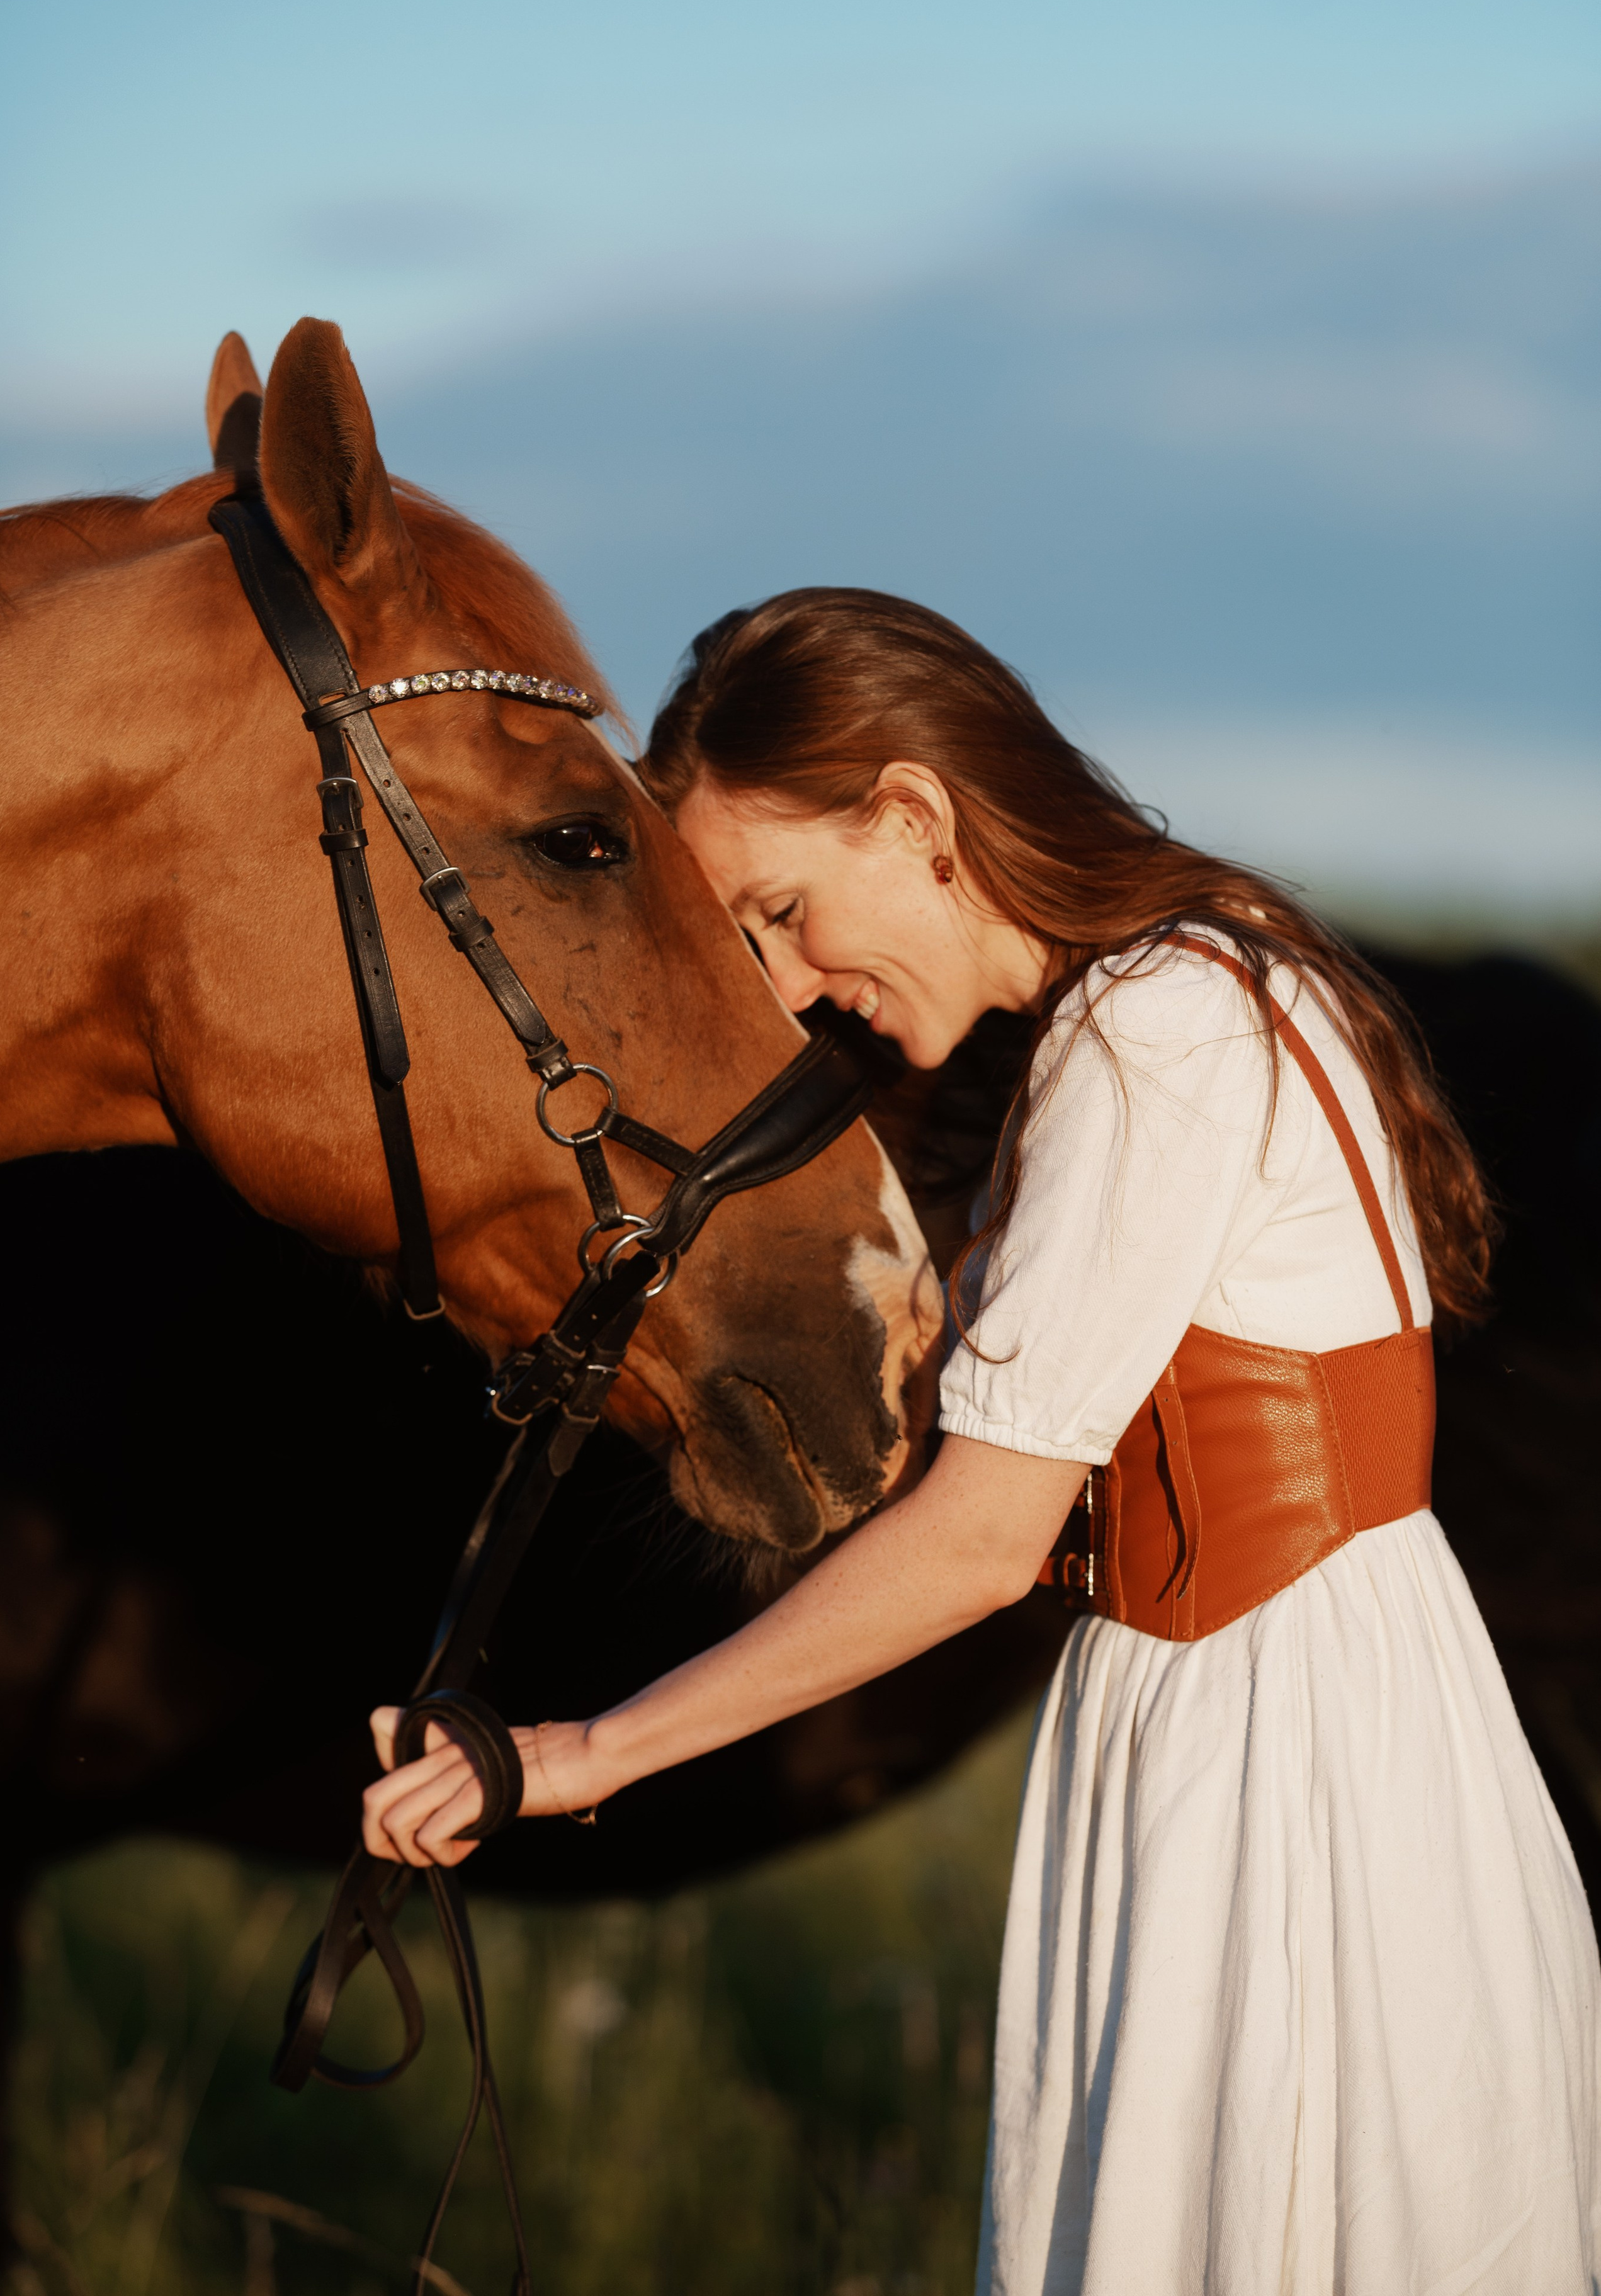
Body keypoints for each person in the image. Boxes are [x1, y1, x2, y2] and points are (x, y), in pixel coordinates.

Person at [364, 588, 1601, 2292]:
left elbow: (978, 1538)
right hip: (1297, 1698)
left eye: (787, 914)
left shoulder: (1154, 1035)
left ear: (915, 815)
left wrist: (587, 1754)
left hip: (1270, 1742)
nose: (796, 989)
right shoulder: (1199, 974)